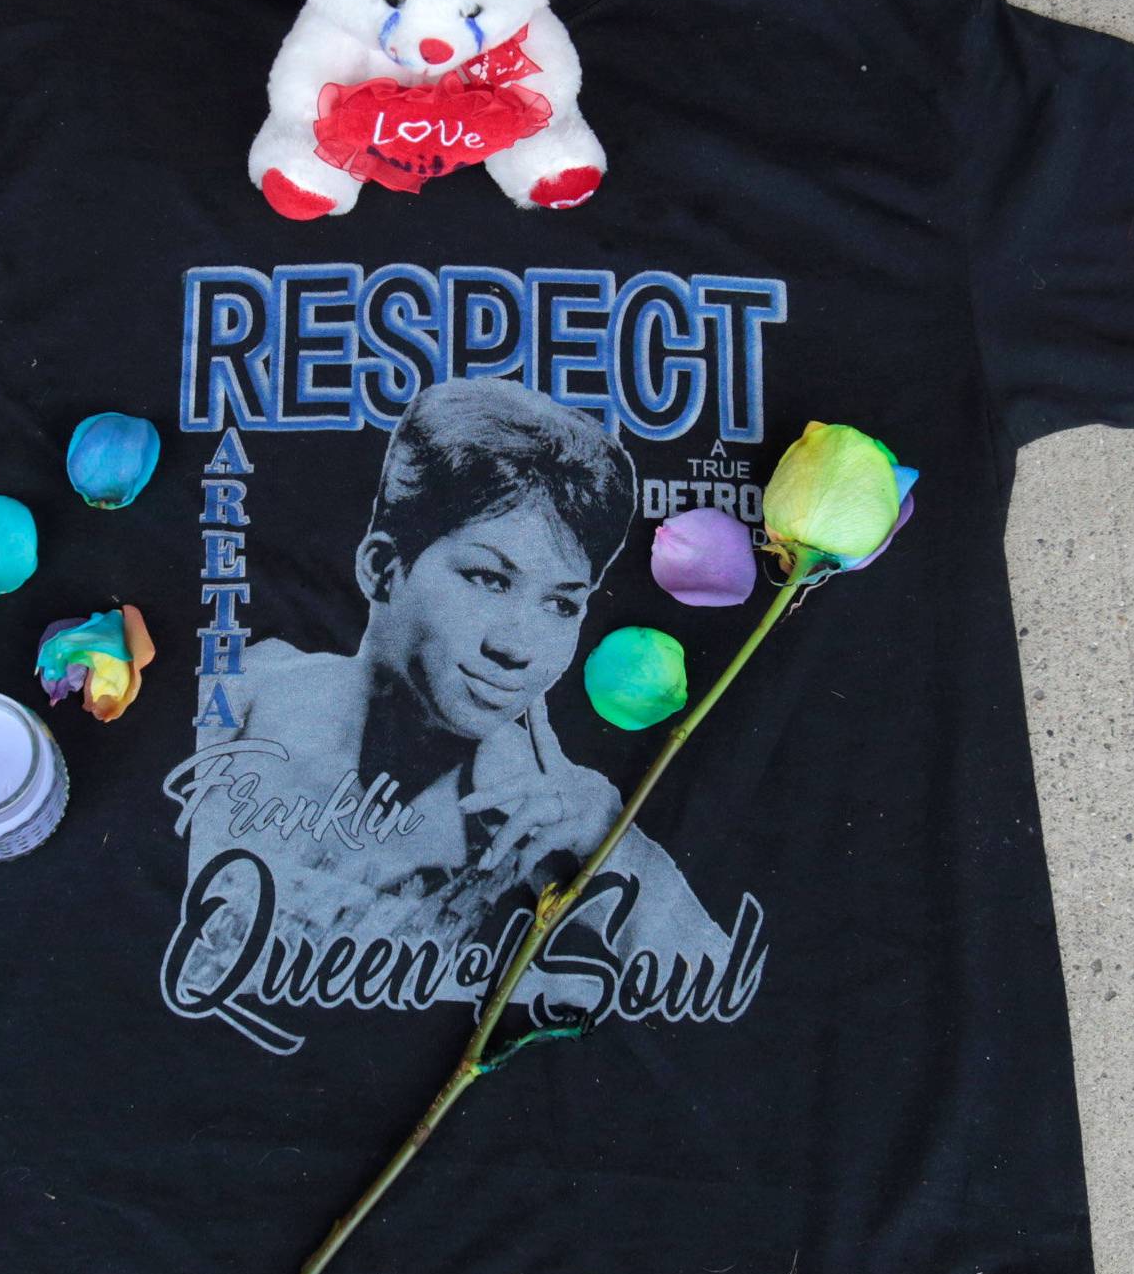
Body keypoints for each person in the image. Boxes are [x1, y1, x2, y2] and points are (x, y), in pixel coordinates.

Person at [184, 376, 734, 1001]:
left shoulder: (539, 822)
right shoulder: (248, 695)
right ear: (382, 568)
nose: (518, 646)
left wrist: (618, 844)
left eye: (560, 604)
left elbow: (720, 1003)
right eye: (489, 579)